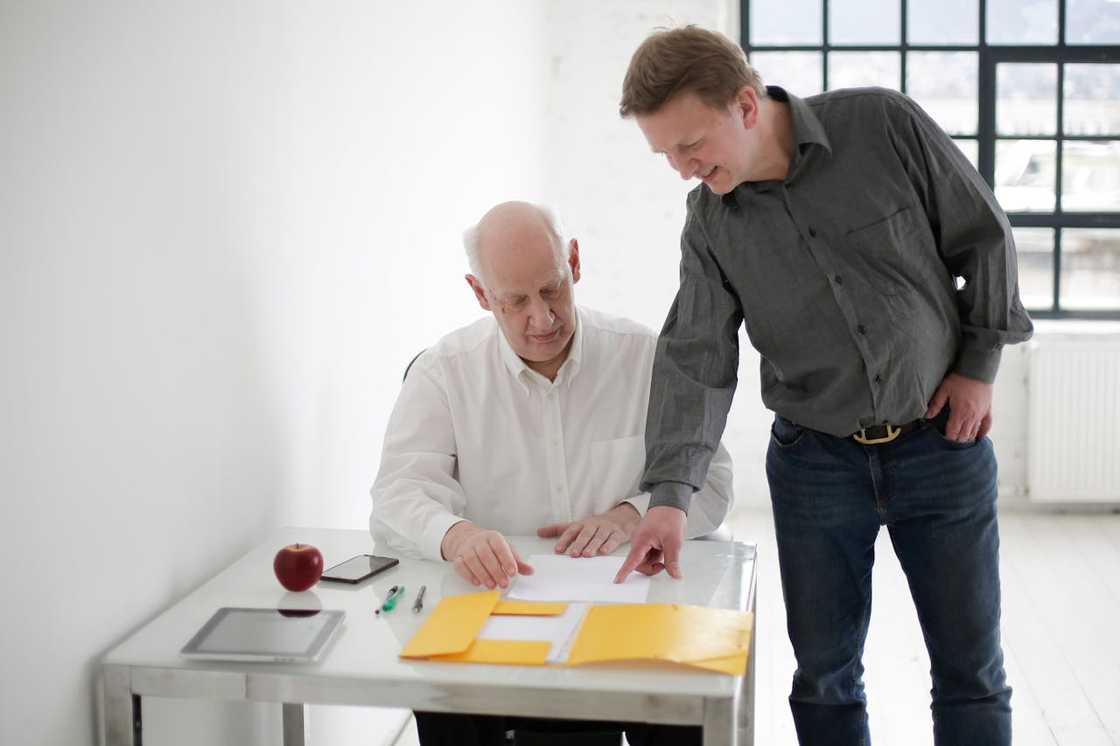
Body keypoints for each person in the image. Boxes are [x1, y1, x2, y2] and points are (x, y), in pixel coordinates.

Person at [614, 25, 1033, 746]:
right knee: (825, 678)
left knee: (972, 670)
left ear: (745, 104)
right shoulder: (711, 222)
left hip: (942, 445)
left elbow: (984, 234)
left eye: (690, 146)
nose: (682, 169)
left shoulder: (882, 124)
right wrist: (669, 499)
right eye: (667, 155)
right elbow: (696, 356)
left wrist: (978, 367)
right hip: (816, 466)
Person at [370, 200, 733, 746]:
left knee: (690, 703)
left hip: (629, 619)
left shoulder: (644, 357)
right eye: (514, 301)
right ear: (479, 293)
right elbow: (398, 492)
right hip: (494, 620)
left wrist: (631, 516)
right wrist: (457, 535)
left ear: (575, 262)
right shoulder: (445, 372)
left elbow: (717, 479)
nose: (541, 319)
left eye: (552, 289)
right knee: (438, 693)